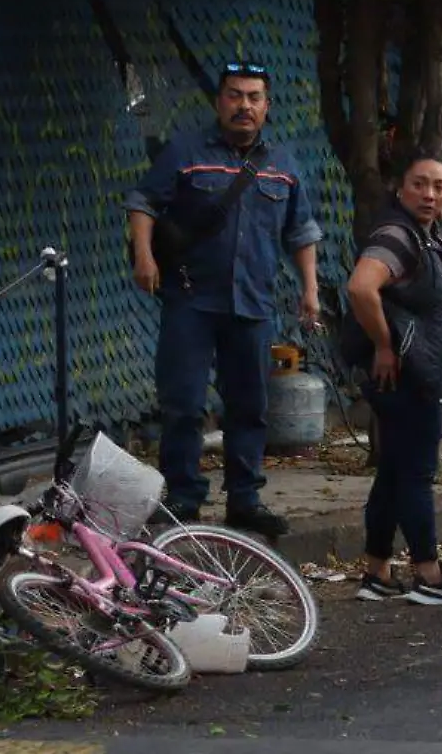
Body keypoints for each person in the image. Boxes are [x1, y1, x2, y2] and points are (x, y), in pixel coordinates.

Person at [125, 62, 322, 536]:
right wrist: (144, 257)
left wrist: (310, 289)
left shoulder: (283, 165)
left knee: (249, 405)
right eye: (235, 96)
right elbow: (143, 201)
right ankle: (183, 497)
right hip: (191, 299)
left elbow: (301, 231)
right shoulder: (186, 151)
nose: (244, 106)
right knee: (184, 403)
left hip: (253, 304)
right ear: (220, 102)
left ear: (267, 106)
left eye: (254, 97)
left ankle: (244, 499)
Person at [345, 151, 442, 605]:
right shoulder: (399, 235)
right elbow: (361, 287)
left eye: (438, 186)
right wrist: (384, 343)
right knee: (417, 475)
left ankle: (377, 572)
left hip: (411, 374)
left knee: (394, 475)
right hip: (408, 377)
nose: (430, 194)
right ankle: (429, 575)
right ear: (401, 188)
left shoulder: (426, 236)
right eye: (420, 184)